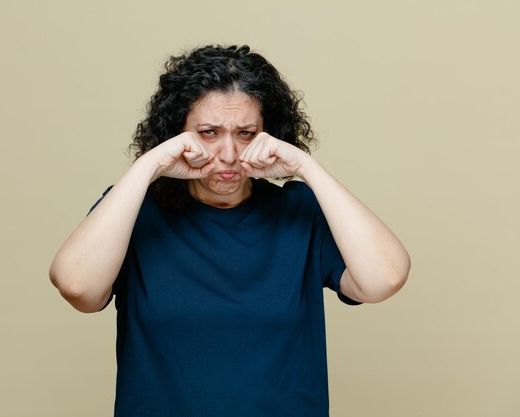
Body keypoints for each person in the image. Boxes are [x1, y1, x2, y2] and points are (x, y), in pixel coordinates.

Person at [49, 45, 410, 417]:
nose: (228, 152)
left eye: (246, 133)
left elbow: (384, 278)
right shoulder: (133, 210)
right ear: (177, 133)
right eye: (208, 132)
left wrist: (305, 167)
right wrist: (149, 166)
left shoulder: (299, 211)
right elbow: (78, 288)